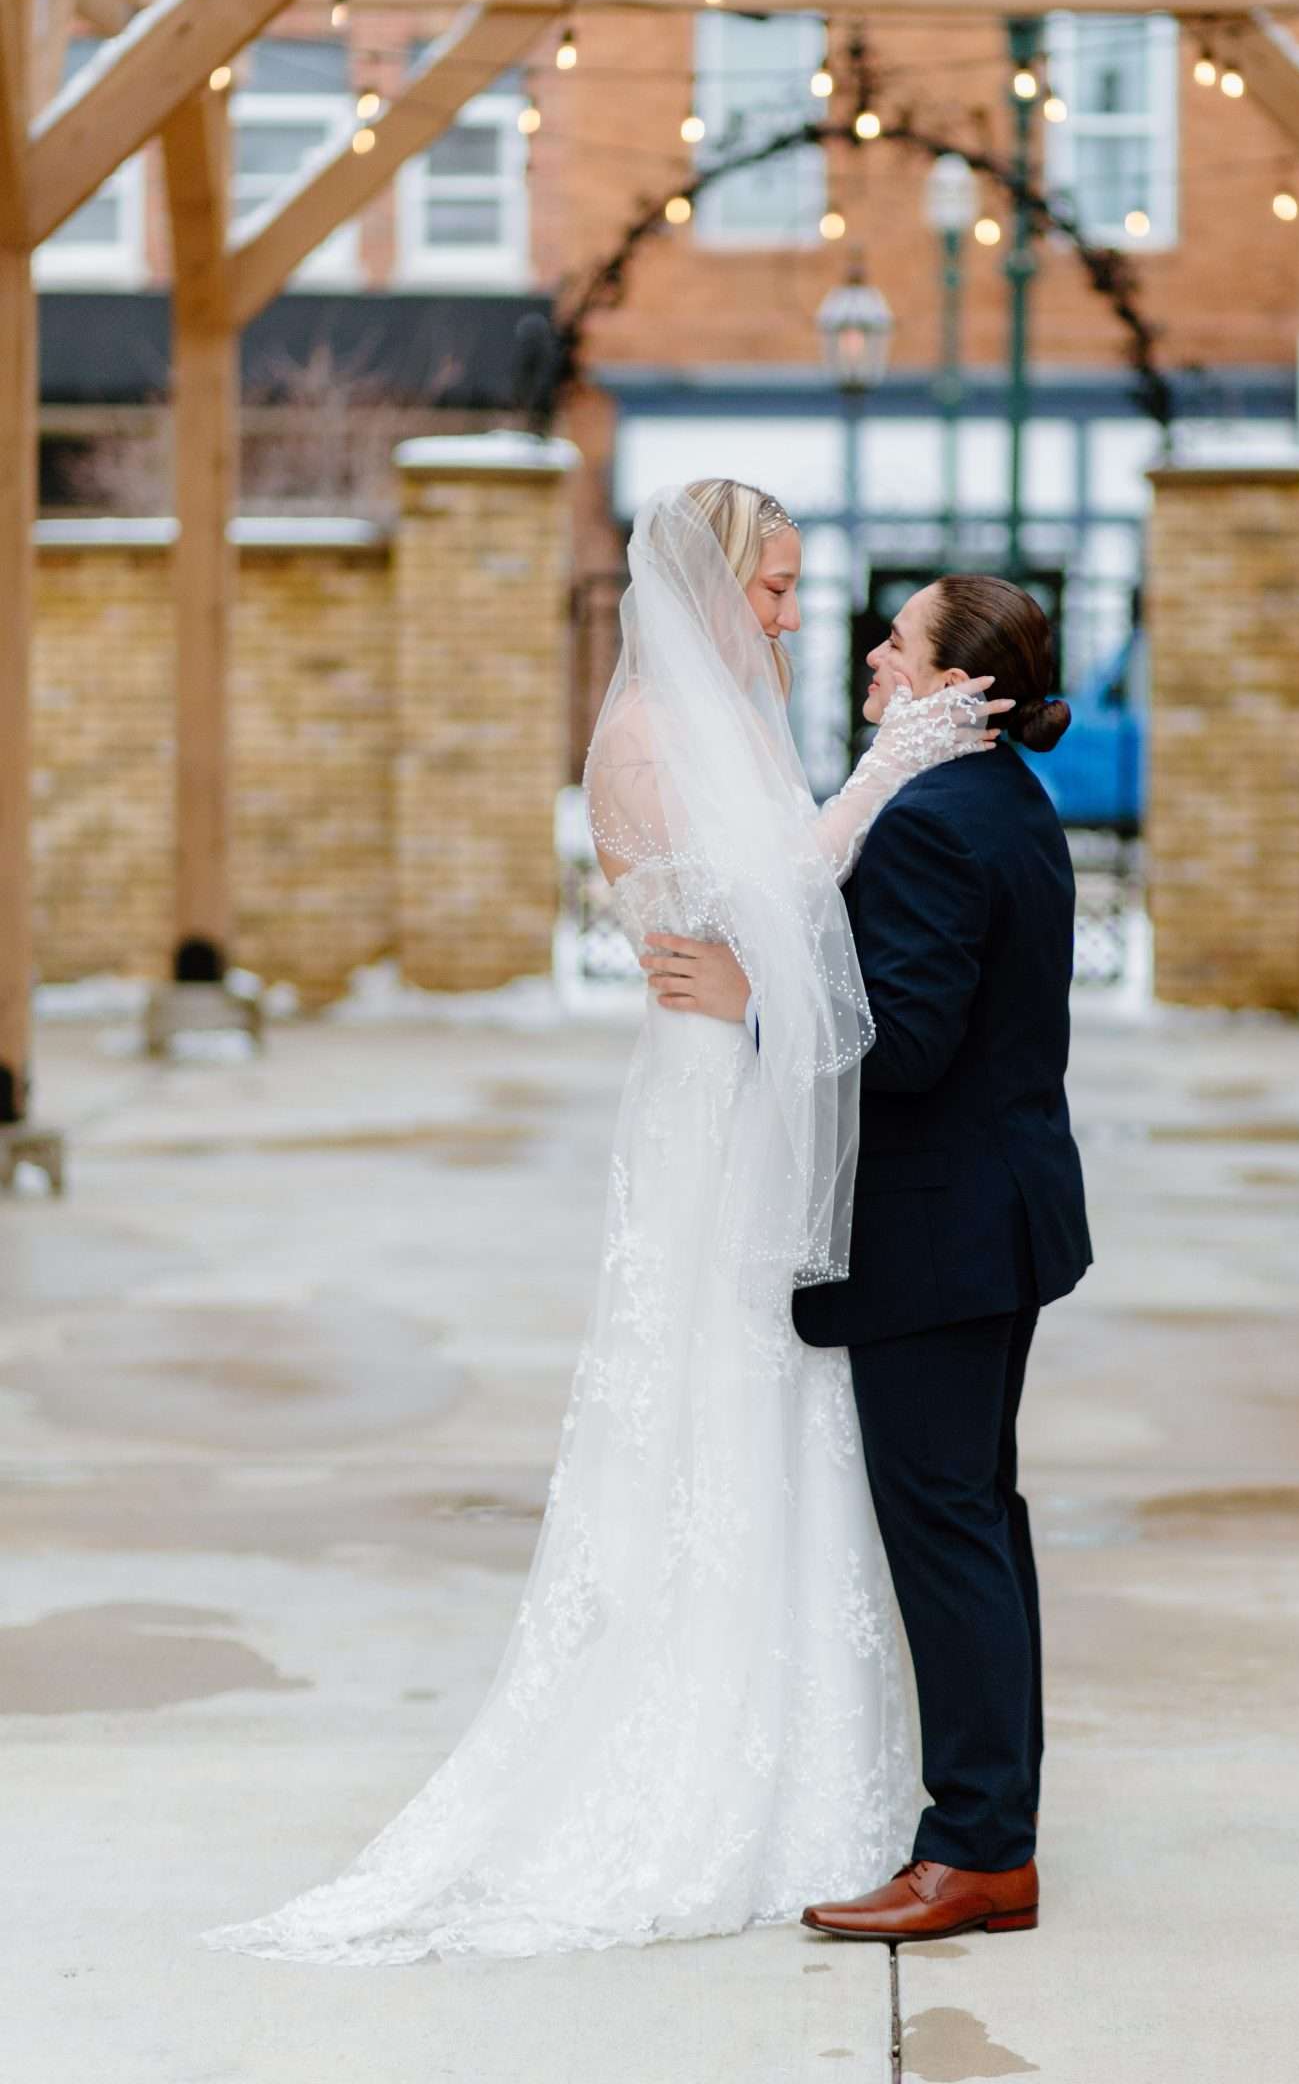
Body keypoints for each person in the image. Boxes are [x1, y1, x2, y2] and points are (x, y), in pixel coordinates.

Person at [199, 481, 1005, 1964]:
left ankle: (809, 1753)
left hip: (761, 1079)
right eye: (770, 589)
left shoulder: (739, 725)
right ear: (704, 588)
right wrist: (890, 770)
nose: (787, 615)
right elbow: (771, 912)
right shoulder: (644, 740)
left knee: (789, 1397)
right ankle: (694, 1750)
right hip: (712, 1101)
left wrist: (876, 781)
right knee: (713, 1384)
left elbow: (797, 914)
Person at [644, 575, 1091, 1943]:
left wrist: (754, 998)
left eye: (898, 638)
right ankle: (991, 1827)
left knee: (950, 1534)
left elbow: (901, 1042)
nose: (873, 652)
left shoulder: (938, 828)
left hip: (938, 1234)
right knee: (981, 1526)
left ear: (955, 684)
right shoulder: (997, 801)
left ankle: (976, 1850)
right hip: (995, 1221)